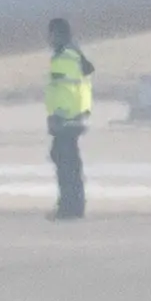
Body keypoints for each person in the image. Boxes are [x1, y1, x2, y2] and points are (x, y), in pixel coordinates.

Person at [54, 24, 96, 223]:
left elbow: (64, 90)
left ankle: (69, 207)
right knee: (68, 162)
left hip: (66, 119)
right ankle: (73, 205)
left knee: (66, 163)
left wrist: (59, 115)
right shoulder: (75, 55)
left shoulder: (66, 57)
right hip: (73, 118)